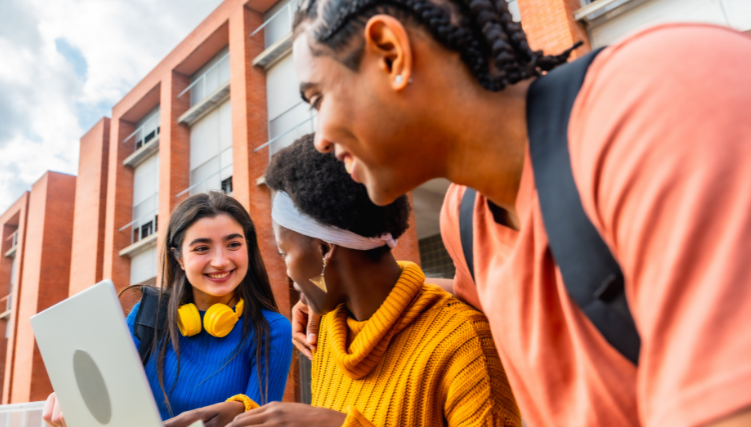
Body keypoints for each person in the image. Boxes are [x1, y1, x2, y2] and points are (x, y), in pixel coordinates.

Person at [287, 1, 751, 427]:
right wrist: (332, 294)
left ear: (391, 53)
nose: (321, 139)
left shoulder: (659, 102)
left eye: (318, 99)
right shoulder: (465, 215)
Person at [223, 134, 519, 427]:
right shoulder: (329, 327)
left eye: (284, 252)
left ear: (324, 250)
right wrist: (246, 417)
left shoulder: (466, 344)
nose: (287, 271)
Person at [43, 192, 293, 427]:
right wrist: (76, 404)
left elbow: (258, 421)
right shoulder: (148, 315)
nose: (220, 261)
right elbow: (112, 406)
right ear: (178, 258)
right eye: (201, 248)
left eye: (234, 244)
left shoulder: (271, 329)